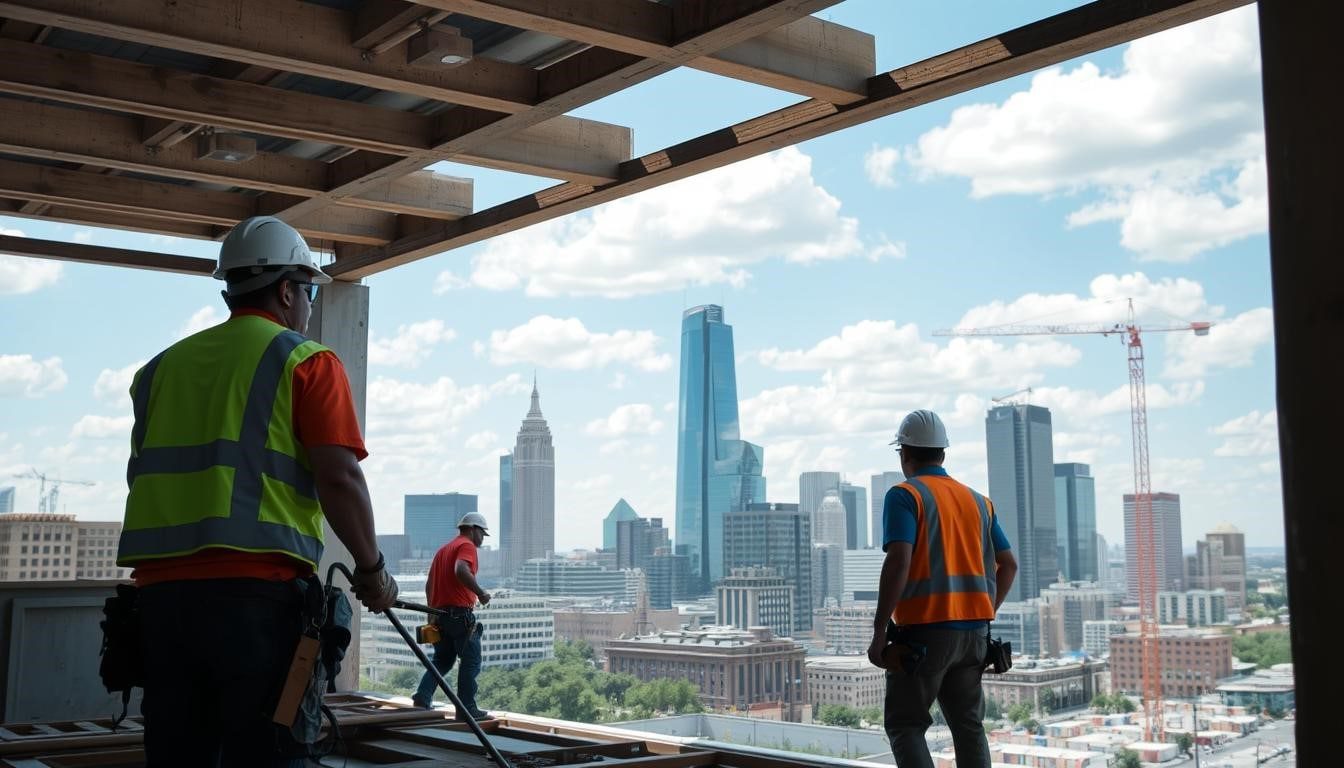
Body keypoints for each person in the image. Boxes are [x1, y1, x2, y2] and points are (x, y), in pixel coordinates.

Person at [116, 216, 399, 767]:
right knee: (269, 755)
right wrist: (371, 570)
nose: (310, 304)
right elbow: (339, 477)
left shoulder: (159, 370)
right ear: (288, 290)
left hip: (161, 605)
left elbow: (141, 474)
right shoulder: (307, 361)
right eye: (310, 290)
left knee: (178, 756)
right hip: (255, 603)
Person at [867, 409, 1018, 768]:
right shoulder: (979, 502)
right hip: (974, 635)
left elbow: (899, 561)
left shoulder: (905, 495)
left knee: (905, 725)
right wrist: (984, 611)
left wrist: (879, 631)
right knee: (969, 726)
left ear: (904, 453)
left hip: (924, 635)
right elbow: (1009, 565)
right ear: (942, 454)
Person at [412, 511, 494, 720]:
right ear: (473, 529)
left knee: (443, 659)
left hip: (440, 615)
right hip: (459, 615)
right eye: (482, 534)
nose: (482, 539)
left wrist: (431, 614)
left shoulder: (443, 550)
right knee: (471, 660)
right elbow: (461, 570)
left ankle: (422, 696)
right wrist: (481, 593)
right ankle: (466, 709)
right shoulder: (466, 545)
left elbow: (429, 585)